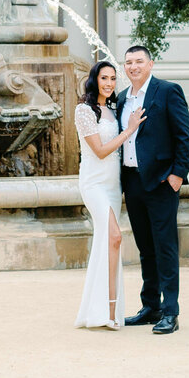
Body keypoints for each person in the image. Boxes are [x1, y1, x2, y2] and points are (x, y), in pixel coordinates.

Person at [116, 45, 189, 335]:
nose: (133, 67)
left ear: (150, 64)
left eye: (138, 61)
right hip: (133, 182)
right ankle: (151, 307)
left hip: (162, 182)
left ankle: (170, 312)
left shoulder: (167, 91)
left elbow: (184, 136)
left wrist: (177, 176)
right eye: (128, 62)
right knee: (145, 248)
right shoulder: (122, 98)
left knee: (165, 247)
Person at [74, 60, 144, 329]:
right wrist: (130, 130)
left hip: (113, 184)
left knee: (110, 242)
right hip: (93, 183)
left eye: (113, 78)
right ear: (95, 80)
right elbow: (101, 151)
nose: (109, 83)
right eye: (104, 78)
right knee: (114, 236)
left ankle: (107, 311)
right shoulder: (84, 110)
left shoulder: (114, 110)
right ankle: (109, 311)